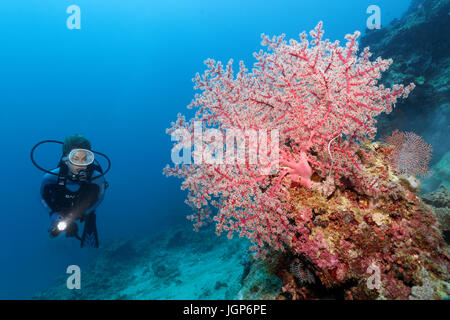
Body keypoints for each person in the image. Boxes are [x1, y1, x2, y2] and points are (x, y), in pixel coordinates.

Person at [37, 134, 109, 248]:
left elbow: (99, 197)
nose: (81, 165)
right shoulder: (50, 178)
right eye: (75, 159)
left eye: (85, 159)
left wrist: (84, 213)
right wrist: (54, 215)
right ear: (65, 159)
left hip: (84, 208)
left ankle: (88, 221)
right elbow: (43, 197)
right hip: (62, 209)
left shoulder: (97, 178)